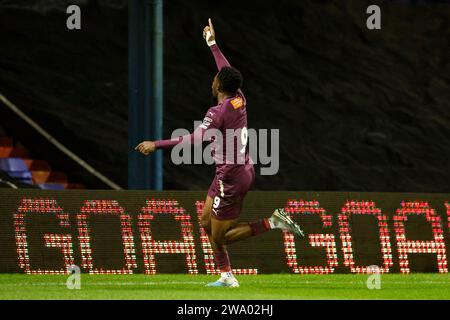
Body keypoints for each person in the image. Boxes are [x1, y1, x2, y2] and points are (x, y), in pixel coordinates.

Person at [136, 18, 304, 287]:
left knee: (220, 237)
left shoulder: (217, 112)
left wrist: (156, 145)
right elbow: (226, 70)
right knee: (205, 220)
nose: (213, 79)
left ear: (218, 86)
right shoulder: (239, 97)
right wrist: (212, 44)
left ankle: (272, 223)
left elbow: (195, 139)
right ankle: (226, 275)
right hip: (237, 170)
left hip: (232, 178)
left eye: (215, 79)